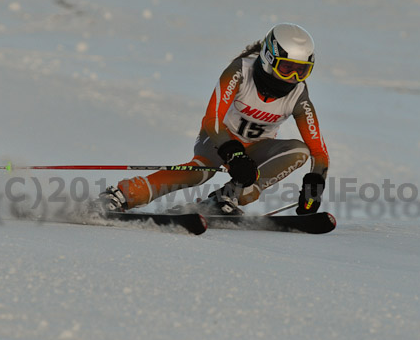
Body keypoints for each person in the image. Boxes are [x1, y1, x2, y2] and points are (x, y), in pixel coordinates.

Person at [100, 23, 329, 215]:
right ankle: (122, 195)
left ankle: (226, 199)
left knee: (299, 152)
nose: (292, 78)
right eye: (286, 68)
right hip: (219, 137)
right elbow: (213, 119)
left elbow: (318, 152)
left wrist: (314, 185)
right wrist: (233, 152)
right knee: (201, 172)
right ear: (269, 57)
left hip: (256, 148)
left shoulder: (299, 96)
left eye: (302, 71)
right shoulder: (240, 71)